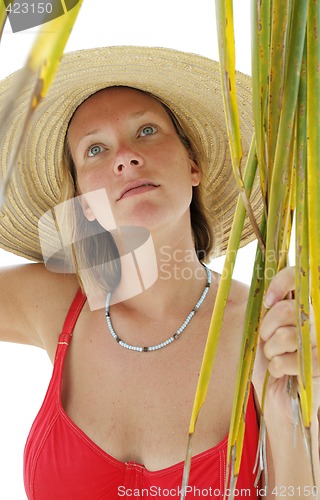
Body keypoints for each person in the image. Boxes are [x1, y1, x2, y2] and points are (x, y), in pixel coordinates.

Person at [0, 46, 319, 499]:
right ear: (82, 200)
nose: (125, 157)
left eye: (146, 130)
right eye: (95, 149)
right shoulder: (54, 302)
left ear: (194, 165)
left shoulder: (265, 328)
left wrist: (287, 413)